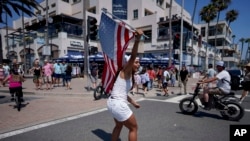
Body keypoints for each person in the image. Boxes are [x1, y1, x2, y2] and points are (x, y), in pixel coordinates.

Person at [107, 29, 142, 141]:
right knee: (134, 128)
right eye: (136, 62)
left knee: (119, 125)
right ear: (129, 63)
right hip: (118, 104)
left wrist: (133, 102)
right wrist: (137, 40)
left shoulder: (128, 75)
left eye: (138, 62)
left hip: (112, 103)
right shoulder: (125, 71)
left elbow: (123, 94)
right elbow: (132, 56)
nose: (138, 64)